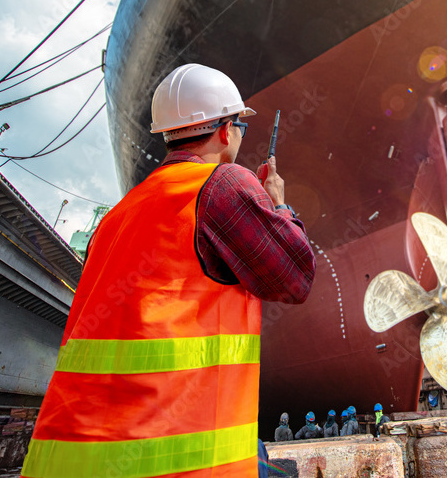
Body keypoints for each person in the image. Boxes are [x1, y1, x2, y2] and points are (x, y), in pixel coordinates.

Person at [21, 64, 316, 478]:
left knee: (261, 450)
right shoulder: (225, 183)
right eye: (239, 128)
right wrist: (279, 205)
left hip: (62, 459)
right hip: (171, 461)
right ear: (225, 130)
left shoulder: (117, 215)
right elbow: (295, 277)